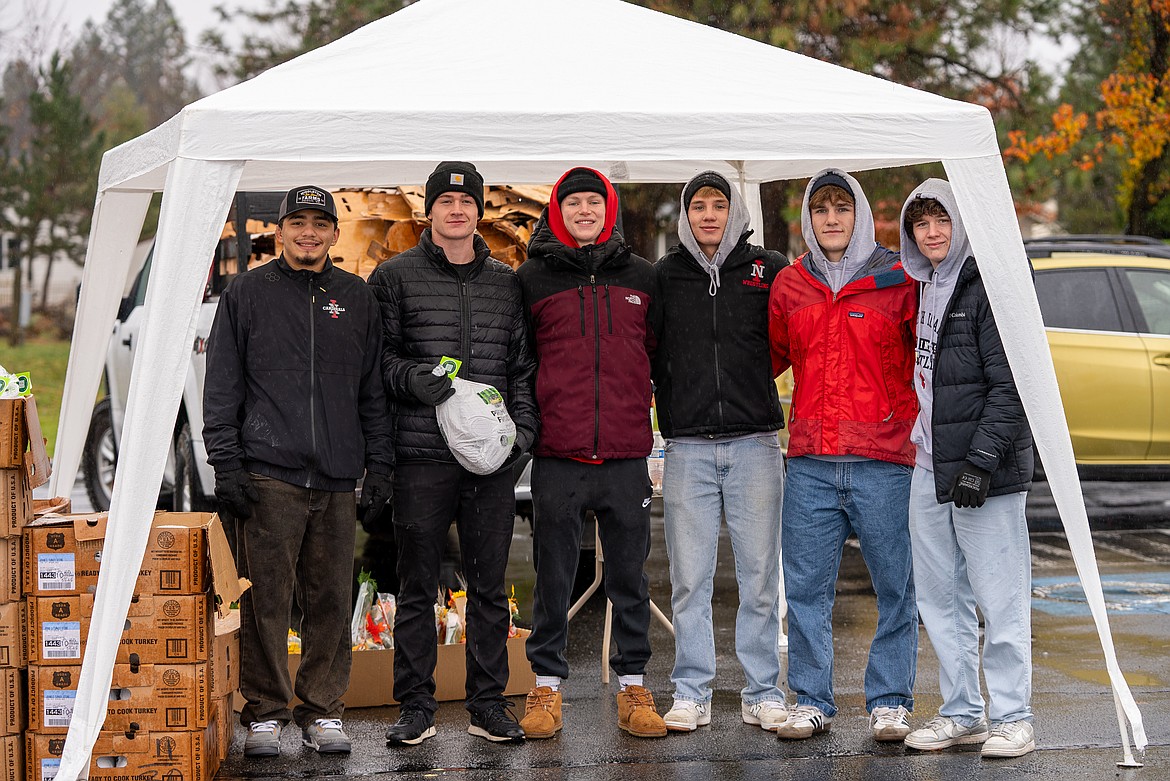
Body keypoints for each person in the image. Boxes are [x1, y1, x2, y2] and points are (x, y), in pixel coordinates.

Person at [203, 185, 395, 758]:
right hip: (268, 474)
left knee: (331, 599)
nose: (308, 233)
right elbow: (222, 388)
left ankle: (323, 710)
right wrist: (227, 464)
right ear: (279, 232)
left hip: (337, 477)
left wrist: (378, 468)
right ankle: (264, 711)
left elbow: (372, 393)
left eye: (319, 223)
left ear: (335, 234)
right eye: (297, 223)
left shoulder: (356, 297)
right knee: (265, 600)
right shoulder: (246, 294)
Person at [368, 161, 538, 746]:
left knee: (488, 586)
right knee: (417, 584)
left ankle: (487, 704)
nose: (457, 211)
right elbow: (378, 362)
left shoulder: (505, 283)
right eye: (446, 202)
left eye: (467, 203)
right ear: (431, 210)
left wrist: (524, 436)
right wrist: (413, 379)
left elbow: (522, 368)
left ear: (480, 211)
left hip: (490, 463)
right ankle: (415, 706)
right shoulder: (393, 278)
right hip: (421, 457)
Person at [767, 168, 919, 742]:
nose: (832, 219)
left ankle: (890, 701)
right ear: (809, 219)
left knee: (896, 586)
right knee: (805, 588)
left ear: (860, 216)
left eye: (842, 208)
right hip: (809, 461)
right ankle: (812, 699)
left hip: (883, 458)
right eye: (821, 209)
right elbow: (769, 359)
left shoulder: (899, 279)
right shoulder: (791, 284)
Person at [515, 166, 666, 740]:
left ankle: (633, 687)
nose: (585, 211)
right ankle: (546, 688)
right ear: (558, 210)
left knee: (630, 577)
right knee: (553, 577)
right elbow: (521, 361)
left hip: (626, 455)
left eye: (594, 202)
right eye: (573, 202)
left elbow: (655, 354)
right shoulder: (531, 279)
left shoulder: (642, 278)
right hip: (559, 454)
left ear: (609, 210)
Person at [898, 179, 1036, 758]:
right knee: (940, 596)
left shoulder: (988, 288)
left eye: (942, 221)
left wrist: (980, 462)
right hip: (929, 465)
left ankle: (1014, 716)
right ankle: (962, 712)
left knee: (999, 596)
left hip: (986, 472)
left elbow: (1012, 386)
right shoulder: (925, 286)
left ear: (962, 223)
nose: (932, 233)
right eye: (921, 224)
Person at [652, 171, 789, 732]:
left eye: (718, 204)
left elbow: (784, 342)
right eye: (698, 205)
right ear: (685, 215)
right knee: (690, 578)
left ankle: (762, 690)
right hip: (686, 447)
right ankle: (691, 690)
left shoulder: (769, 269)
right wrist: (658, 437)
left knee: (759, 575)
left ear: (734, 212)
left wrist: (748, 384)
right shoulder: (663, 277)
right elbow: (649, 354)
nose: (709, 214)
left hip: (756, 442)